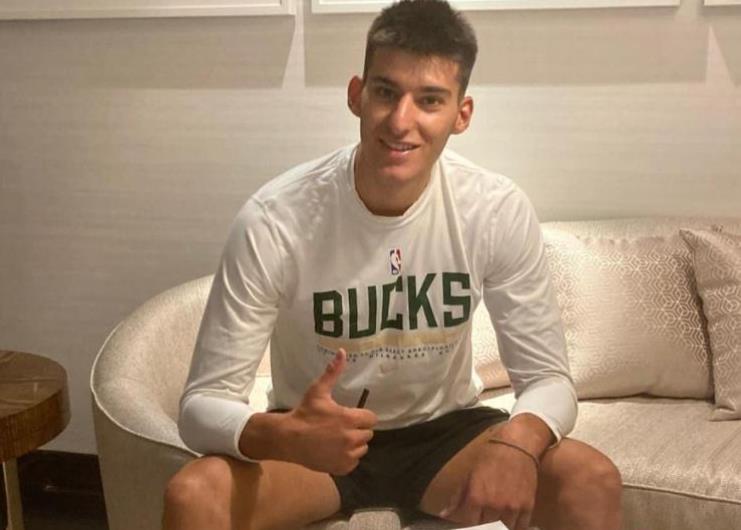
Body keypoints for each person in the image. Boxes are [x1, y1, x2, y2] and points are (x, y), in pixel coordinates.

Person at [163, 1, 623, 529]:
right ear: (356, 95)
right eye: (386, 92)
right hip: (313, 442)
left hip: (444, 436)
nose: (402, 121)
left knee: (590, 480)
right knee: (193, 495)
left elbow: (549, 379)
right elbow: (201, 405)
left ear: (461, 114)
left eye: (429, 100)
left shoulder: (494, 210)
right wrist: (282, 435)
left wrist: (518, 443)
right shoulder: (275, 219)